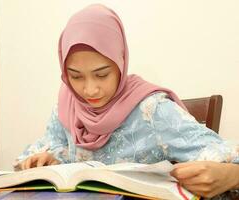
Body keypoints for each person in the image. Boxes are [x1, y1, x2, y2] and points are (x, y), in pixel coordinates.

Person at [14, 4, 239, 199]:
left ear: (121, 62)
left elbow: (227, 156)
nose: (89, 89)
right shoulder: (67, 106)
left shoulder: (151, 110)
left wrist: (231, 176)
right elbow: (46, 150)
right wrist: (45, 161)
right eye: (75, 76)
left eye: (102, 74)